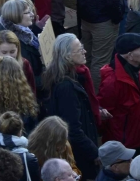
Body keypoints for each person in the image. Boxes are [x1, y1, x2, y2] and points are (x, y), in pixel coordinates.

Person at [41, 34, 101, 180]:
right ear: (67, 56)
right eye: (80, 49)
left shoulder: (68, 77)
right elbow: (72, 129)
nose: (84, 51)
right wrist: (94, 153)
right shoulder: (66, 87)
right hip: (79, 155)